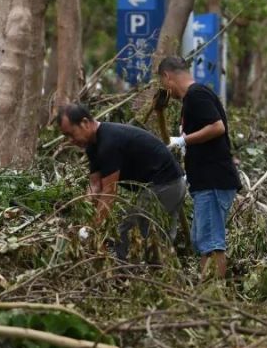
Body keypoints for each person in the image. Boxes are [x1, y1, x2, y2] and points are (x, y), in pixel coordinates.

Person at [58, 103, 186, 261]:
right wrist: (83, 217)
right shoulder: (93, 146)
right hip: (168, 184)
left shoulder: (108, 142)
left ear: (85, 122)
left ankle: (127, 274)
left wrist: (92, 229)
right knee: (157, 239)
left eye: (71, 134)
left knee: (128, 231)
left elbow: (109, 193)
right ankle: (160, 276)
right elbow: (95, 186)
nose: (70, 140)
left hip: (165, 185)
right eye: (66, 136)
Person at [158, 56, 241, 279]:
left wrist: (184, 140)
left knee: (212, 243)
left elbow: (217, 127)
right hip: (205, 181)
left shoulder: (197, 95)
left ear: (167, 76)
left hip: (213, 181)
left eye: (163, 83)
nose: (166, 90)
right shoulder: (192, 98)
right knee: (202, 240)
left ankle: (214, 297)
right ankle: (208, 293)